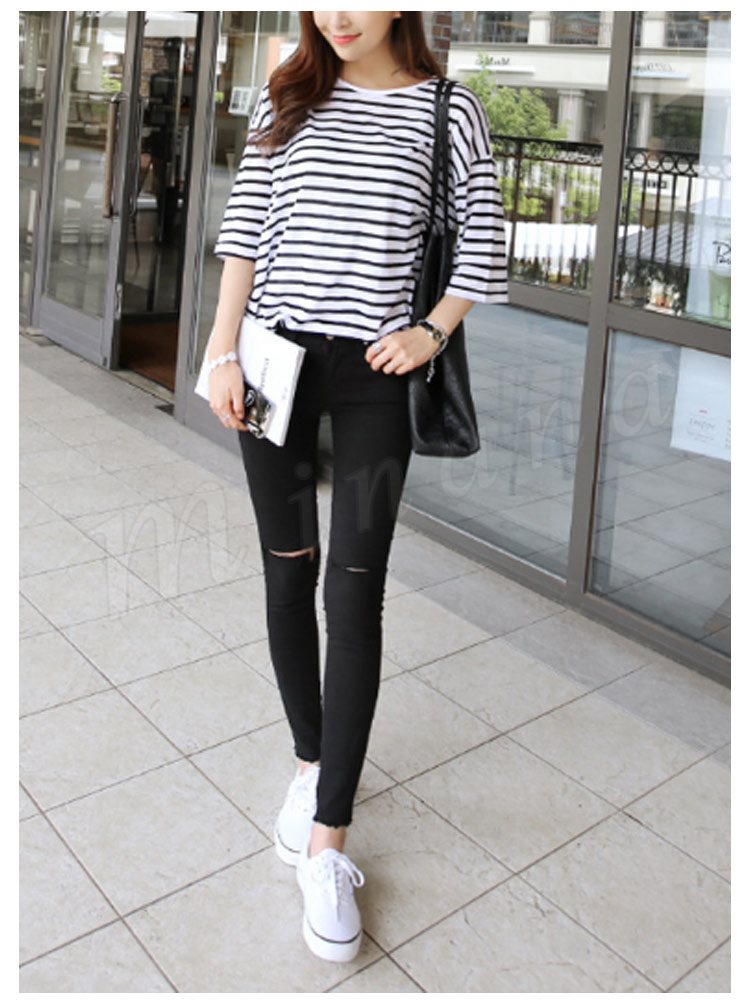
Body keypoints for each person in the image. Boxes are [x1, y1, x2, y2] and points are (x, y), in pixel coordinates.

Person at [206, 11, 509, 963]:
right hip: (273, 365)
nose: (338, 15)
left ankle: (329, 841)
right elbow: (246, 231)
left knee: (354, 588)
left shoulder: (448, 108)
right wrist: (220, 351)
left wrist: (432, 330)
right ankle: (311, 762)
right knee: (288, 569)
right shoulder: (288, 94)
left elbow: (484, 241)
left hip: (377, 378)